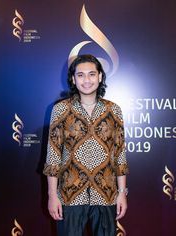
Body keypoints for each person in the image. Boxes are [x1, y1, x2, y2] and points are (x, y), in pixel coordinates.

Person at [43, 54, 129, 236]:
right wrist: (52, 195)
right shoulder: (61, 109)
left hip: (106, 194)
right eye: (80, 75)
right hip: (70, 194)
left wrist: (122, 192)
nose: (86, 80)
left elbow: (119, 155)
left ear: (99, 77)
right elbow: (53, 156)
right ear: (73, 79)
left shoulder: (113, 110)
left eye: (91, 74)